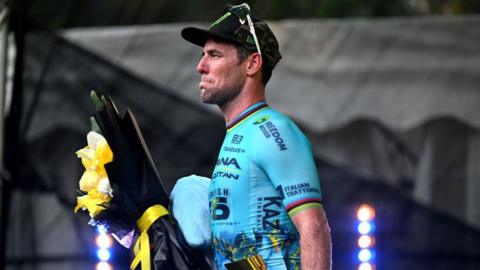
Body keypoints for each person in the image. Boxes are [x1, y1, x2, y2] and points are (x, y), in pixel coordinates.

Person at [180, 3, 331, 270]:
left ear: (252, 64)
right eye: (203, 55)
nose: (200, 66)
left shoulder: (273, 132)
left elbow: (314, 228)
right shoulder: (240, 131)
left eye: (214, 55)